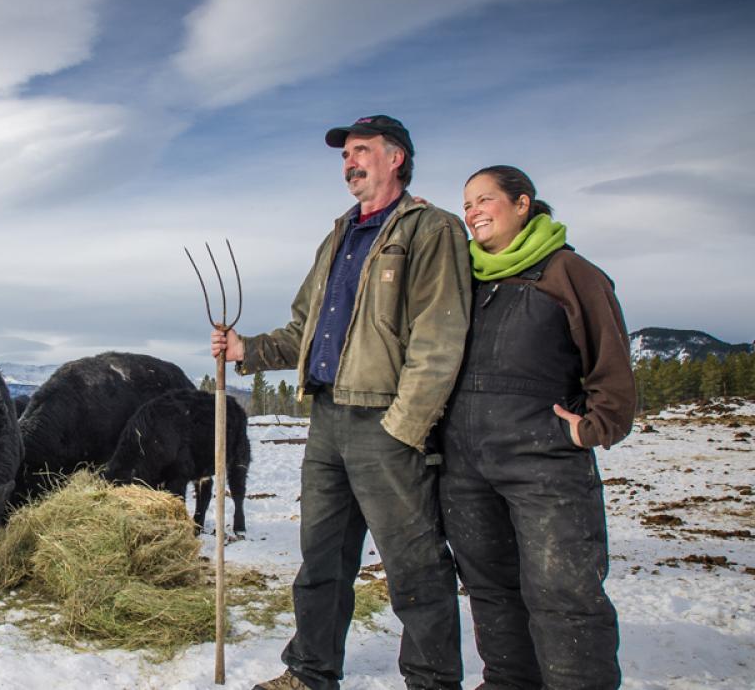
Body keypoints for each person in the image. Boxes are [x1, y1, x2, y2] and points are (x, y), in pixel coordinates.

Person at [212, 115, 471, 690]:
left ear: (395, 158)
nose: (349, 163)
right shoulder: (338, 237)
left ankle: (432, 681)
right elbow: (303, 330)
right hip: (328, 421)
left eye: (360, 151)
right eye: (345, 155)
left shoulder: (430, 230)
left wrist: (405, 426)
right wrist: (247, 349)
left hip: (387, 421)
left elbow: (439, 338)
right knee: (322, 559)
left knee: (413, 564)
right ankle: (311, 671)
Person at [439, 165, 635, 690]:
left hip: (543, 463)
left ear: (522, 203)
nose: (473, 212)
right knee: (490, 586)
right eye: (467, 204)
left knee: (563, 590)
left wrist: (591, 429)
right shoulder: (464, 279)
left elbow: (612, 367)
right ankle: (508, 683)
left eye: (485, 200)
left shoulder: (569, 272)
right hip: (466, 468)